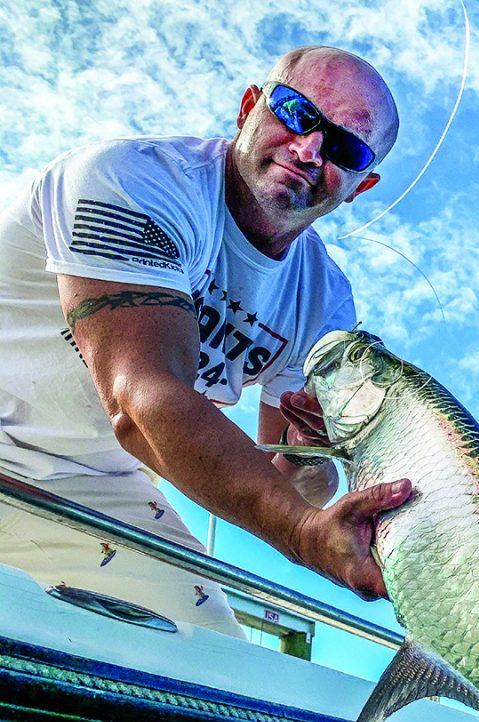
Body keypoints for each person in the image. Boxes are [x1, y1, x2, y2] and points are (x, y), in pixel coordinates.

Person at [0, 45, 412, 638]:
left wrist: (307, 450)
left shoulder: (323, 304)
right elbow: (140, 404)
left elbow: (290, 477)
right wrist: (302, 533)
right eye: (297, 113)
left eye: (345, 148)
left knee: (214, 658)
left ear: (360, 184)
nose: (309, 149)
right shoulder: (134, 181)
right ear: (250, 107)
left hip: (94, 481)